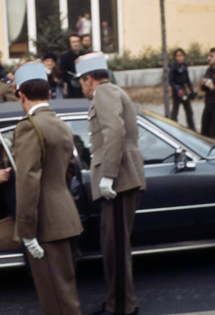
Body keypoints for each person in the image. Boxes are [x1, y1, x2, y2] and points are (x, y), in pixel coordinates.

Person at [75, 52, 146, 315]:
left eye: (81, 81)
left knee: (115, 248)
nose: (81, 86)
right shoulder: (111, 91)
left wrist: (108, 175)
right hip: (123, 180)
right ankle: (119, 302)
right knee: (113, 245)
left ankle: (122, 307)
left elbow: (114, 132)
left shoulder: (103, 93)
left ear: (89, 79)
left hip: (120, 182)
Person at [13, 61, 83, 315]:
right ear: (49, 93)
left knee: (55, 299)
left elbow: (27, 181)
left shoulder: (29, 126)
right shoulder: (61, 125)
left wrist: (26, 230)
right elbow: (70, 170)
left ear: (21, 95)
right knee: (66, 290)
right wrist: (57, 196)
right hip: (65, 216)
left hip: (45, 224)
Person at [169, 48, 196, 131]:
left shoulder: (184, 65)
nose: (180, 58)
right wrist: (177, 90)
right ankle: (173, 128)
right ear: (175, 57)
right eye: (178, 56)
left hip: (183, 88)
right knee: (175, 111)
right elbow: (170, 80)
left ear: (184, 56)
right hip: (177, 89)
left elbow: (187, 79)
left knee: (189, 110)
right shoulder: (173, 66)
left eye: (181, 55)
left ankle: (192, 128)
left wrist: (192, 90)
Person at [60, 33, 84, 98]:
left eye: (77, 41)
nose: (76, 44)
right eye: (73, 42)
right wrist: (72, 81)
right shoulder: (65, 56)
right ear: (70, 43)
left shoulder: (84, 54)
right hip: (73, 87)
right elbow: (63, 72)